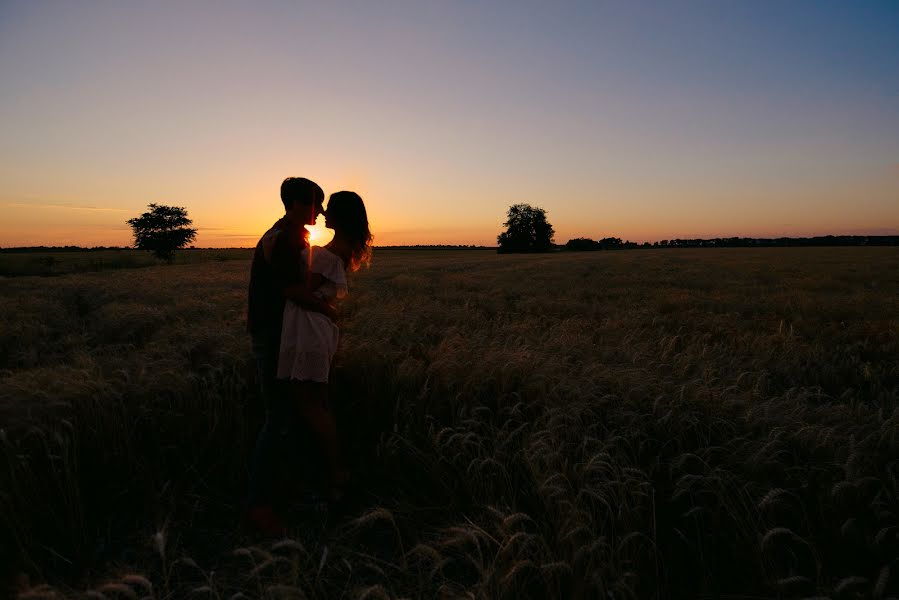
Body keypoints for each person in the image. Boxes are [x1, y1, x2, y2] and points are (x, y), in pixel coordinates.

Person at [246, 177, 334, 536]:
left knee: (286, 415)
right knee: (277, 416)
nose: (321, 212)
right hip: (274, 337)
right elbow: (292, 290)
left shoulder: (276, 233)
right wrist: (328, 309)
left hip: (272, 335)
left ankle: (282, 490)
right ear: (297, 204)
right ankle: (259, 505)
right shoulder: (286, 239)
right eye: (316, 204)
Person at [277, 190, 372, 503]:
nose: (323, 212)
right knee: (317, 401)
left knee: (309, 404)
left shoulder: (331, 254)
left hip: (310, 330)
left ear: (341, 216)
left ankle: (336, 473)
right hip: (311, 328)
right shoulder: (334, 250)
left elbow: (300, 291)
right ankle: (328, 470)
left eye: (329, 208)